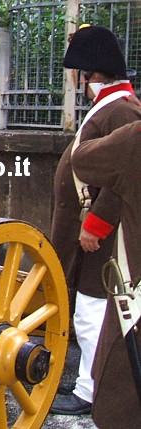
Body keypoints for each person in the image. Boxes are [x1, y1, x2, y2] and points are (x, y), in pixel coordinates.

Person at [49, 25, 141, 415]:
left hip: (105, 234)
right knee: (89, 309)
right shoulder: (112, 106)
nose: (79, 82)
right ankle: (89, 378)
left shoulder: (122, 109)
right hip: (89, 228)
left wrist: (97, 224)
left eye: (82, 74)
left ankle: (91, 389)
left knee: (93, 311)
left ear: (94, 74)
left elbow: (127, 177)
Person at [71, 120, 141, 428]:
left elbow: (82, 159)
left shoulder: (133, 134)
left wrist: (95, 223)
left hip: (135, 283)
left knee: (121, 391)